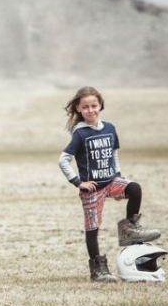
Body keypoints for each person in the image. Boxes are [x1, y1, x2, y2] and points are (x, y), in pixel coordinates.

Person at [58, 86, 161, 282]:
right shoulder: (80, 134)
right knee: (92, 228)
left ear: (101, 106)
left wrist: (118, 176)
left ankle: (129, 228)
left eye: (94, 106)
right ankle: (98, 268)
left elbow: (113, 153)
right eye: (85, 107)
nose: (91, 110)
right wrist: (79, 182)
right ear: (79, 109)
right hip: (93, 189)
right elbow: (63, 160)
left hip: (111, 181)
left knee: (134, 188)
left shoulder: (109, 128)